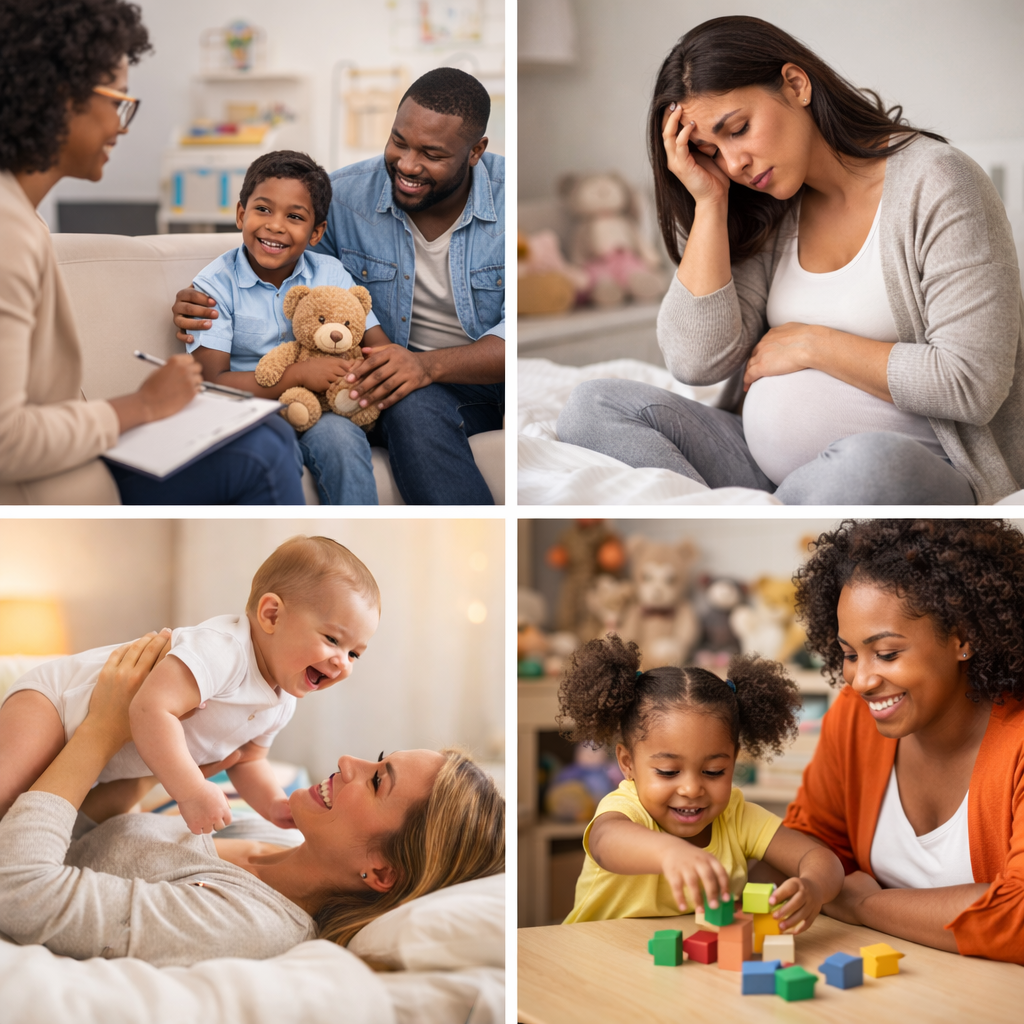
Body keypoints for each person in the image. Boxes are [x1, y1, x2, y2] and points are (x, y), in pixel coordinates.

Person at [557, 16, 1023, 505]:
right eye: (709, 150)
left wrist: (812, 344)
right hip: (770, 472)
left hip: (908, 471)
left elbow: (972, 383)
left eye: (738, 129)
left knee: (870, 466)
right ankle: (752, 511)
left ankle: (767, 513)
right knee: (593, 406)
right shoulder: (771, 208)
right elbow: (694, 360)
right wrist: (710, 203)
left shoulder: (939, 182)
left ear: (796, 84)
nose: (733, 163)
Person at [0, 632, 505, 965]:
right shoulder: (265, 833)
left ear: (381, 873)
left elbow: (19, 893)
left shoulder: (249, 924)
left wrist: (102, 730)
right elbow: (91, 845)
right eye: (377, 759)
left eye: (377, 781)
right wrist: (158, 764)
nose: (349, 763)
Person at [0, 0, 304, 505]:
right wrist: (142, 405)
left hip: (69, 456)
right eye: (119, 100)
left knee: (266, 435)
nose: (123, 125)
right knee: (261, 453)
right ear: (59, 95)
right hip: (47, 484)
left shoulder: (20, 217)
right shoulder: (8, 232)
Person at [174, 67, 505, 505]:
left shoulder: (509, 199)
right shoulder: (346, 198)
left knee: (393, 412)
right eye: (399, 142)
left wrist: (423, 366)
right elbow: (281, 255)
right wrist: (194, 296)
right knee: (402, 409)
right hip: (371, 387)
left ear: (475, 151)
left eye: (431, 154)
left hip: (478, 384)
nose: (407, 165)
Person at [0, 536, 380, 834]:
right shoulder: (224, 649)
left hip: (101, 762)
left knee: (37, 825)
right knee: (6, 794)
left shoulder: (282, 700)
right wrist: (192, 791)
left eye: (355, 654)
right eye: (332, 640)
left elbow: (249, 760)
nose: (341, 662)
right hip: (54, 706)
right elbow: (150, 709)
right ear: (271, 614)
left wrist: (275, 805)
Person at [787, 519, 1024, 965]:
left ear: (963, 638)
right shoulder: (854, 716)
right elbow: (808, 845)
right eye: (850, 654)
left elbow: (1018, 920)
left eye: (888, 654)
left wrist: (863, 904)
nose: (861, 680)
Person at [557, 634, 843, 927]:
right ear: (627, 763)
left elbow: (820, 858)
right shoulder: (626, 808)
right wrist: (669, 852)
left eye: (714, 771)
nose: (692, 789)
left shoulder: (737, 816)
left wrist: (814, 887)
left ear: (733, 760)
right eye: (668, 772)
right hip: (594, 956)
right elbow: (606, 842)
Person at [187, 151, 387, 505]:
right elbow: (212, 384)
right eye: (263, 209)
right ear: (240, 214)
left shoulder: (331, 274)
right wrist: (298, 375)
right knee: (273, 445)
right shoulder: (213, 287)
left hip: (324, 409)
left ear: (316, 232)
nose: (276, 225)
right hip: (250, 409)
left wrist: (355, 376)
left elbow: (378, 348)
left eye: (294, 217)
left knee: (342, 439)